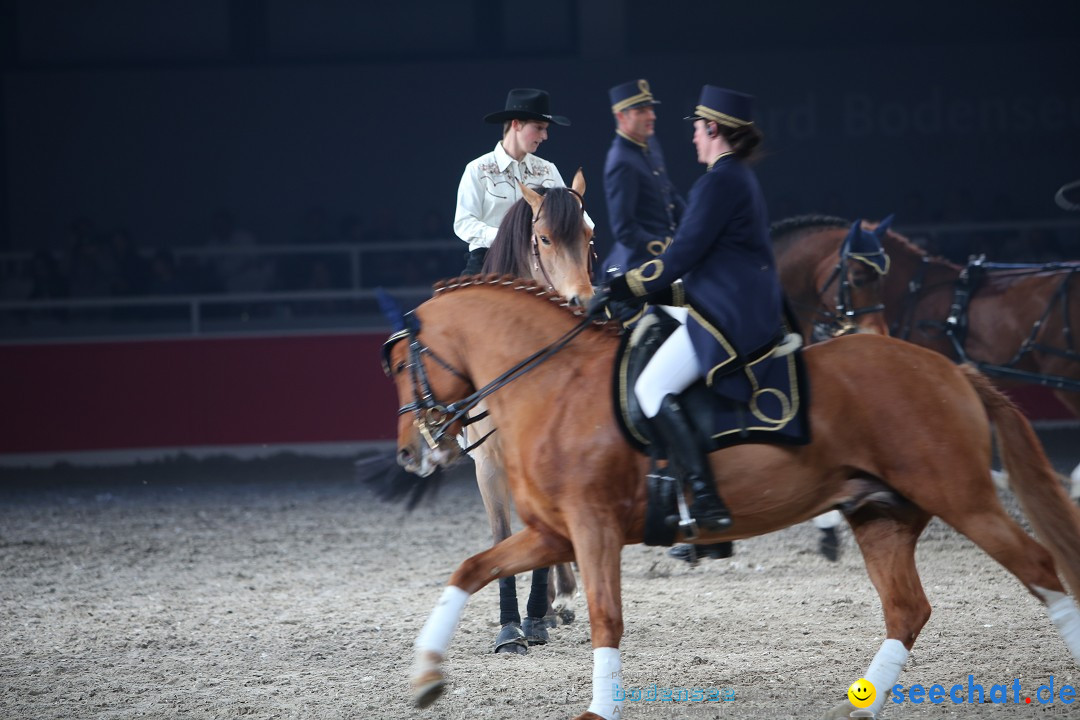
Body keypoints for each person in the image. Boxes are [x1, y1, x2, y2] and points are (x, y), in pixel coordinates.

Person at [587, 84, 785, 534]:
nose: (693, 137)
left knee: (651, 390)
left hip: (730, 314)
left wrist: (627, 284)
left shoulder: (718, 181)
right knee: (654, 325)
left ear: (713, 128)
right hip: (732, 297)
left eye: (697, 128)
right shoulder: (734, 176)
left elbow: (682, 255)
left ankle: (706, 497)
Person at [454, 88, 571, 275]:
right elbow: (464, 223)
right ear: (516, 124)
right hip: (487, 262)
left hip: (540, 266)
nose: (544, 136)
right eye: (539, 128)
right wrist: (506, 239)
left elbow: (576, 216)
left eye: (545, 129)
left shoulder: (548, 169)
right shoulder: (478, 169)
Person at [600, 79, 685, 279]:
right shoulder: (620, 161)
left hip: (670, 253)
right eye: (642, 112)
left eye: (651, 110)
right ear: (621, 116)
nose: (652, 116)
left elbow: (669, 193)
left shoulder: (650, 143)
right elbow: (624, 230)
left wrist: (693, 227)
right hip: (641, 263)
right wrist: (664, 247)